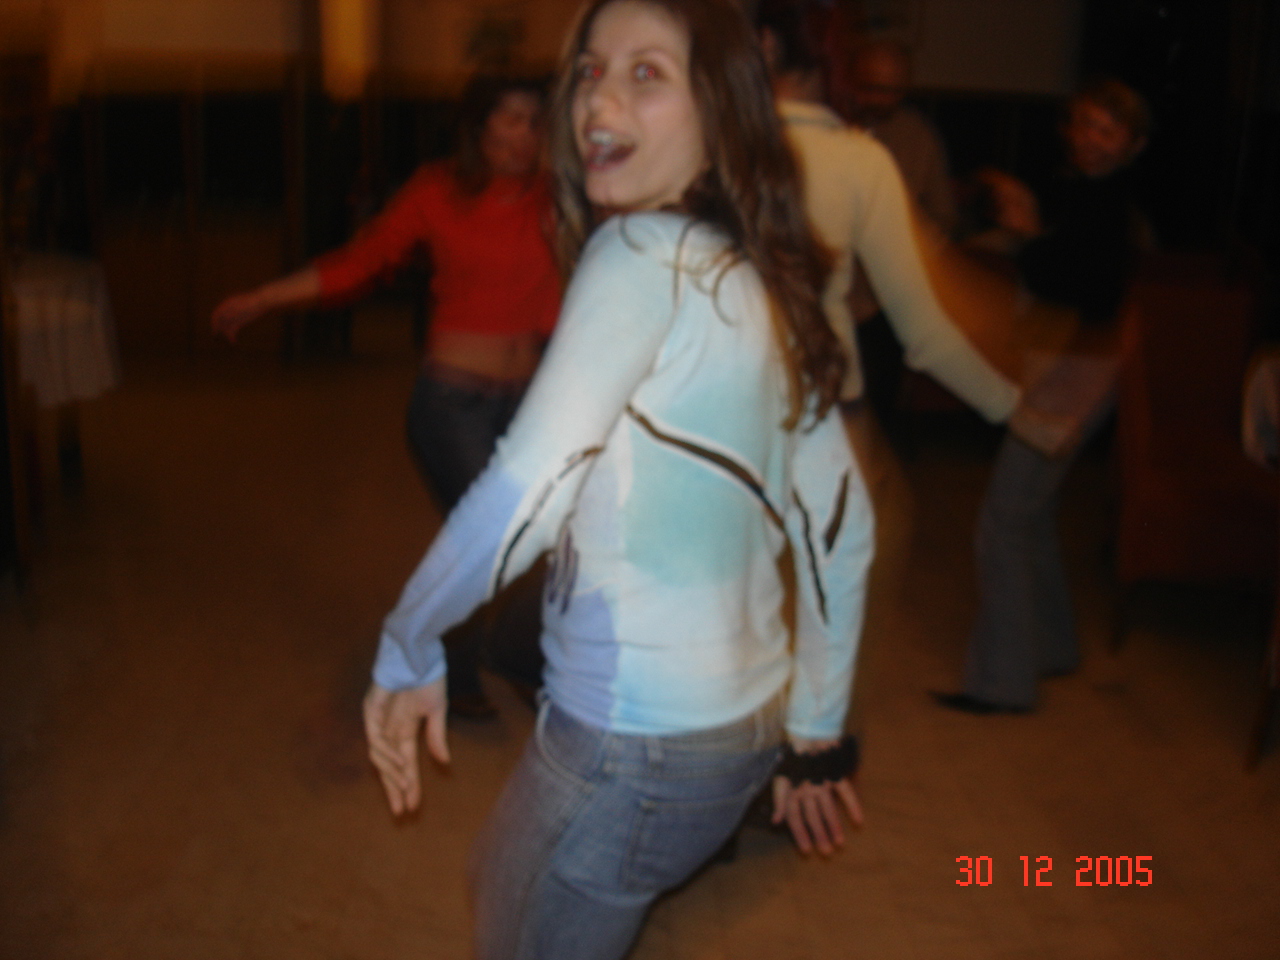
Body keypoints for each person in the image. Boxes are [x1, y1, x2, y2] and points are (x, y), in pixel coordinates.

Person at [362, 0, 872, 956]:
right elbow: (842, 527)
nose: (597, 101)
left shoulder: (638, 253)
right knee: (504, 881)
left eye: (647, 74)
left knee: (518, 926)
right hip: (735, 735)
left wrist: (407, 641)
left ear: (721, 110)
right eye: (591, 71)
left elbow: (529, 487)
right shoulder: (764, 272)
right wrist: (814, 725)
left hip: (629, 743)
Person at [212, 73, 560, 719]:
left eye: (537, 121)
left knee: (519, 539)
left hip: (529, 405)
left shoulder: (556, 195)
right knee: (499, 537)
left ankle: (489, 658)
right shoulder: (437, 190)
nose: (526, 135)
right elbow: (359, 261)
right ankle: (470, 664)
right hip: (452, 406)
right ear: (478, 125)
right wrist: (265, 297)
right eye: (511, 118)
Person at [934, 79, 1152, 714]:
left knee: (1003, 520)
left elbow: (1081, 288)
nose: (1089, 139)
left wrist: (1029, 235)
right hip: (1074, 367)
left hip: (1078, 374)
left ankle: (1002, 684)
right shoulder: (1087, 193)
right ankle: (1054, 647)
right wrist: (1027, 226)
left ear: (1133, 144)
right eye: (1083, 124)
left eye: (1106, 130)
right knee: (1031, 514)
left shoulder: (1111, 204)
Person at [756, 4, 1021, 431]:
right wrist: (1016, 411)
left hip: (745, 399)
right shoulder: (857, 158)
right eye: (872, 86)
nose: (880, 99)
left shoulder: (711, 145)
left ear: (765, 44)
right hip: (821, 401)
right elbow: (925, 331)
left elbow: (941, 218)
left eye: (893, 90)